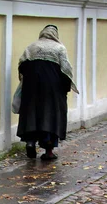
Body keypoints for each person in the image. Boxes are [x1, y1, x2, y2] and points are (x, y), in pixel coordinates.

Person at [17, 25, 79, 161]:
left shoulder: (32, 47)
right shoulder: (59, 48)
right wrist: (65, 88)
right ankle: (49, 151)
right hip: (52, 90)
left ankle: (30, 142)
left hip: (31, 88)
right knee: (51, 116)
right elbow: (66, 70)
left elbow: (22, 65)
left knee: (32, 114)